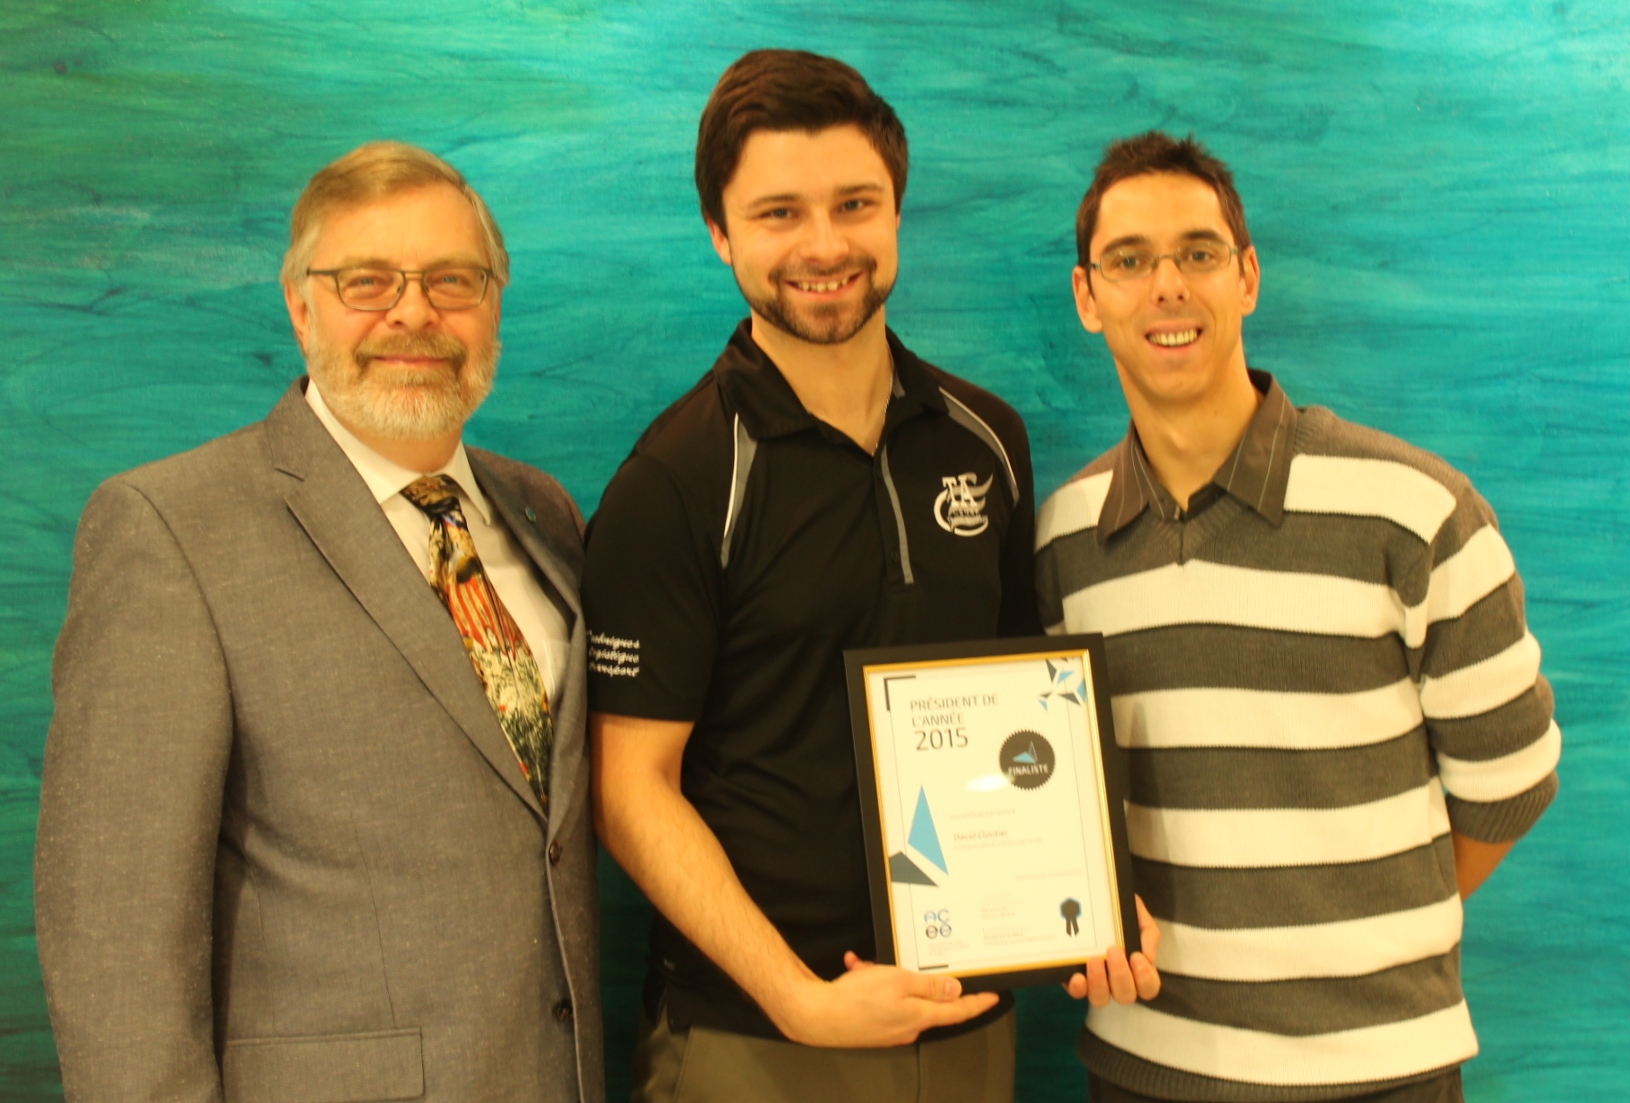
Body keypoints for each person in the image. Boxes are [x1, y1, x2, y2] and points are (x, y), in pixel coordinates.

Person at [583, 49, 1156, 1103]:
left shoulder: (986, 440)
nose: (824, 245)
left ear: (896, 212)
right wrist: (798, 995)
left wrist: (1090, 893)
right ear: (720, 232)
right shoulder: (677, 479)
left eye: (855, 203)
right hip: (755, 1041)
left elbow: (1023, 708)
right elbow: (629, 791)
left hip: (966, 1023)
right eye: (777, 213)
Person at [35, 142, 601, 1103]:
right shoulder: (169, 528)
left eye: (451, 280)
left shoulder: (544, 513)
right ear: (301, 307)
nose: (413, 312)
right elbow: (115, 935)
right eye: (366, 281)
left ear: (493, 304)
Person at [1035, 131, 1562, 1103]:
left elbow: (1509, 785)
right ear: (1087, 296)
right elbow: (1062, 802)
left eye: (1197, 253)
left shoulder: (1414, 509)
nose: (1166, 287)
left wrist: (1359, 929)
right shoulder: (1062, 540)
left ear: (1246, 278)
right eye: (1129, 260)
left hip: (1378, 1075)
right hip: (1145, 1068)